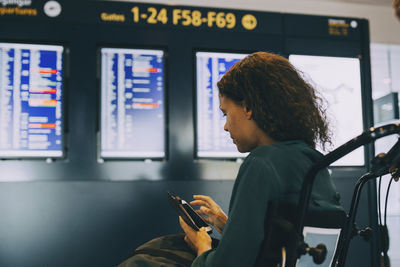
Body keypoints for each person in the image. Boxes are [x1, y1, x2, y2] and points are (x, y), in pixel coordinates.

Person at [179, 52, 342, 266]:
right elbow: (283, 246)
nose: (226, 126)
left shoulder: (261, 162)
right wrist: (230, 226)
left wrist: (202, 248)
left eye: (225, 113)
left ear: (248, 107)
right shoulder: (314, 162)